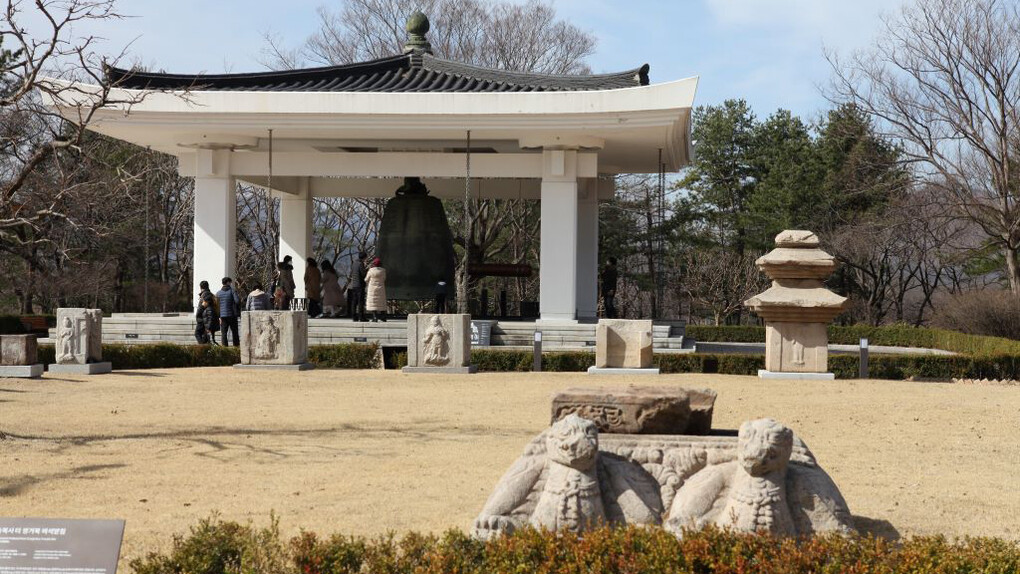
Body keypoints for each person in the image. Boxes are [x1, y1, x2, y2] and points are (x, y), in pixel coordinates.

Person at [216, 277, 241, 346]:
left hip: (223, 316)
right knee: (235, 332)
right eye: (230, 282)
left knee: (224, 333)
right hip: (232, 315)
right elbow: (237, 301)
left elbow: (216, 306)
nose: (231, 284)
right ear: (227, 282)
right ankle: (236, 347)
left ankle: (225, 348)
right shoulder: (232, 291)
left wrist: (219, 316)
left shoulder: (218, 293)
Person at [346, 251, 368, 322]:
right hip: (360, 285)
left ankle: (354, 316)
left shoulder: (354, 263)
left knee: (354, 302)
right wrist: (366, 268)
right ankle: (361, 317)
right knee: (360, 301)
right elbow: (363, 274)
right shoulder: (360, 264)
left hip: (354, 285)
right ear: (364, 257)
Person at [365, 257, 387, 322]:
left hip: (372, 289)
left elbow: (366, 279)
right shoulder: (383, 271)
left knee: (373, 303)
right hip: (380, 288)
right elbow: (384, 278)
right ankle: (383, 317)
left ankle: (375, 317)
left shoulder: (371, 271)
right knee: (381, 302)